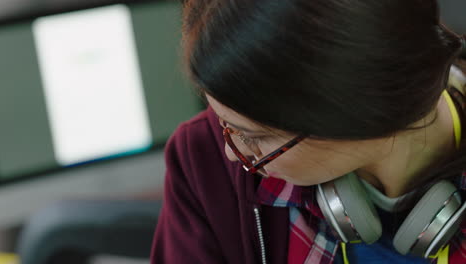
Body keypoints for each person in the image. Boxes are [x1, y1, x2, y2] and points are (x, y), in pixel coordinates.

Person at [151, 0, 466, 263]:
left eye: (254, 136)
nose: (231, 152)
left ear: (359, 114)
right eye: (225, 122)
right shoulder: (201, 159)